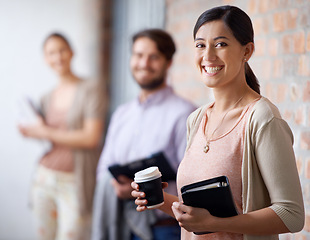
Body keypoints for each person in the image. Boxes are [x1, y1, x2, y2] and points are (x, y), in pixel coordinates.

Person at [132, 5, 305, 240]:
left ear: (247, 51)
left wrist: (215, 223)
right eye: (200, 45)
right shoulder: (196, 119)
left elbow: (291, 215)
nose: (208, 56)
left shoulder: (262, 117)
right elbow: (198, 214)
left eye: (221, 44)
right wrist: (160, 201)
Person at [92, 29, 196, 240]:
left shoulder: (185, 114)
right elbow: (103, 167)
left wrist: (143, 189)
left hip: (164, 229)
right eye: (138, 55)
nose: (144, 63)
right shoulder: (122, 113)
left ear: (168, 63)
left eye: (154, 57)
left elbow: (192, 181)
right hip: (119, 223)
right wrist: (117, 186)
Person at [18, 32, 105, 240]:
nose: (58, 57)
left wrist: (45, 132)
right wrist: (31, 132)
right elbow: (48, 141)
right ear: (46, 59)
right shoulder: (46, 97)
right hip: (44, 178)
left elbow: (90, 137)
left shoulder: (91, 89)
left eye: (61, 50)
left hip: (75, 182)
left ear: (71, 52)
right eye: (51, 53)